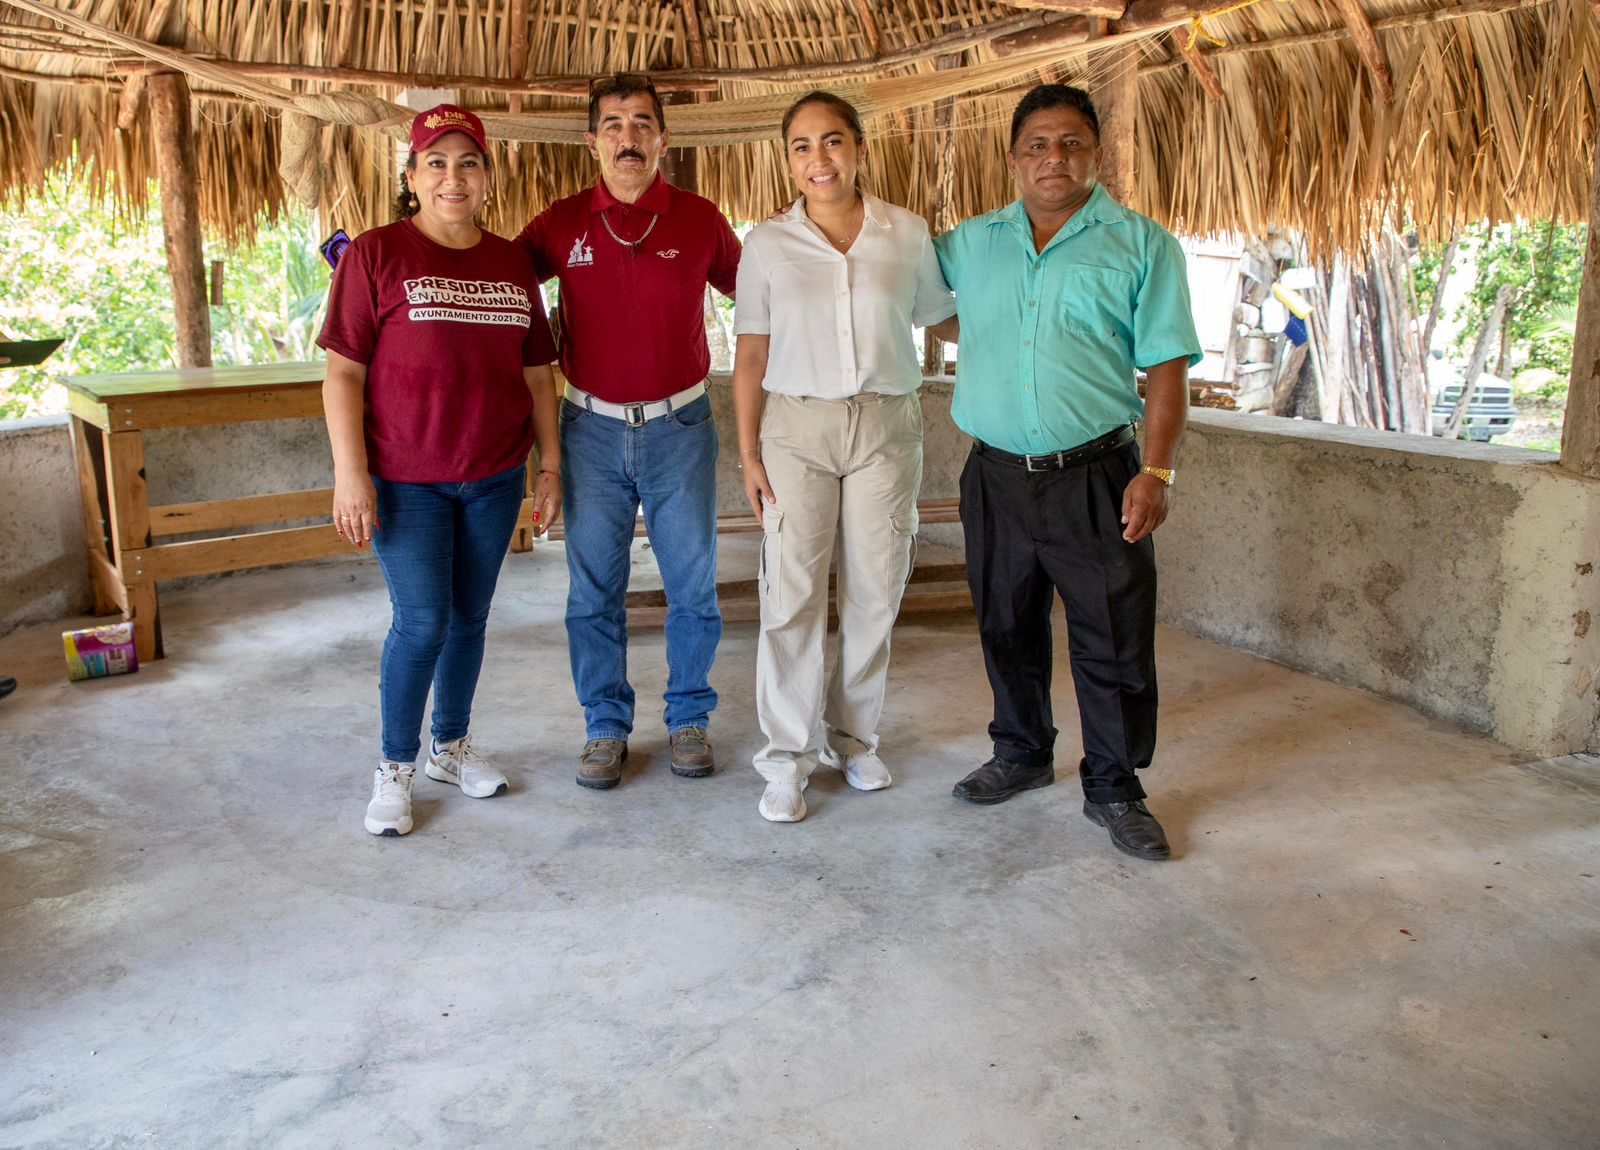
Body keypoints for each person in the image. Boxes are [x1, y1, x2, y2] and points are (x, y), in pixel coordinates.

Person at [934, 84, 1201, 861]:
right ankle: (1019, 752)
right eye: (1039, 145)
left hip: (1098, 475)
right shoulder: (971, 243)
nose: (1055, 158)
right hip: (995, 477)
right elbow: (916, 301)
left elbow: (1167, 370)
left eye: (1072, 143)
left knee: (1111, 636)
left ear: (1096, 152)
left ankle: (1115, 787)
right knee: (1005, 621)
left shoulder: (1143, 245)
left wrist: (1156, 471)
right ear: (1014, 157)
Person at [318, 104, 562, 837]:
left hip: (491, 477)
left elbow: (541, 376)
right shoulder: (375, 254)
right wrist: (349, 474)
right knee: (422, 621)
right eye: (436, 163)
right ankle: (394, 769)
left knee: (470, 620)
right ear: (412, 177)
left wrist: (549, 466)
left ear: (488, 176)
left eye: (468, 163)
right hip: (404, 479)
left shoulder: (510, 262)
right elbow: (341, 375)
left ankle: (449, 749)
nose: (452, 177)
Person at [732, 92, 957, 823]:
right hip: (795, 430)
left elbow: (941, 318)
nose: (818, 158)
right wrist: (748, 455)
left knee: (875, 590)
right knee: (791, 594)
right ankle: (787, 758)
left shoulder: (907, 233)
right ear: (787, 158)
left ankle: (854, 740)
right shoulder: (767, 244)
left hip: (886, 428)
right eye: (801, 145)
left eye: (832, 142)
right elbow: (752, 351)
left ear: (858, 147)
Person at [515, 74, 740, 791]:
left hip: (682, 424)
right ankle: (605, 725)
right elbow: (494, 278)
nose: (628, 138)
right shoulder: (561, 222)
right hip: (589, 429)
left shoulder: (701, 219)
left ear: (662, 139)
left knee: (692, 583)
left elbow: (764, 292)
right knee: (592, 591)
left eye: (642, 124)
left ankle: (688, 717)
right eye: (612, 125)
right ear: (592, 142)